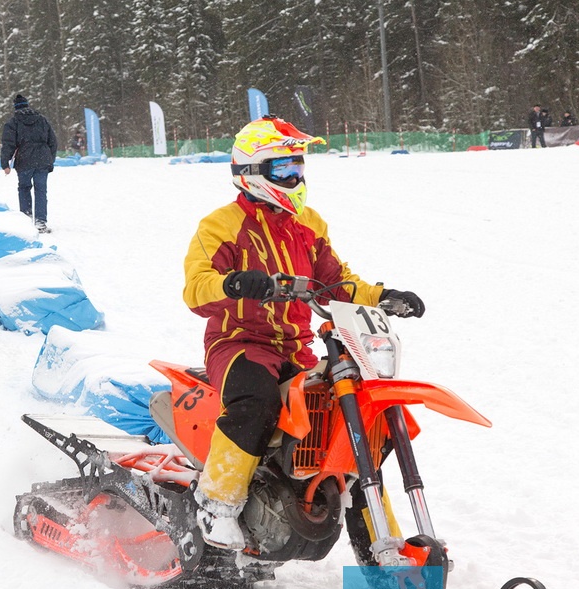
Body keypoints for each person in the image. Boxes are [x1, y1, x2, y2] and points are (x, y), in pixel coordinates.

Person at [182, 116, 425, 549]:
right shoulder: (220, 225)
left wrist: (382, 295)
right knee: (255, 401)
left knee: (353, 422)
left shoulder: (308, 222)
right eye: (283, 168)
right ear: (251, 172)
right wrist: (234, 283)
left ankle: (377, 541)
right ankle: (215, 506)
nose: (295, 176)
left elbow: (337, 283)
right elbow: (196, 289)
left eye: (298, 166)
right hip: (240, 344)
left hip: (298, 348)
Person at [1, 94, 58, 233]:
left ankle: (26, 219)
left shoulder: (13, 123)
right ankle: (40, 222)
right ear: (27, 105)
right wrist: (50, 158)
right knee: (41, 190)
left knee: (24, 188)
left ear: (15, 107)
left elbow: (8, 144)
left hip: (24, 159)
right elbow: (53, 141)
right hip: (42, 159)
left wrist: (5, 163)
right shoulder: (42, 120)